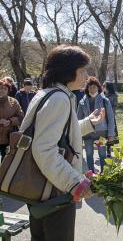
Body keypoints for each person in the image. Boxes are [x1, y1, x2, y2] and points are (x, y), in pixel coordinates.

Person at [18, 45, 104, 241]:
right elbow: (44, 148)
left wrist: (89, 123)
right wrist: (75, 183)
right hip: (56, 191)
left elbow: (60, 136)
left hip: (41, 187)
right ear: (67, 71)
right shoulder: (59, 99)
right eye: (82, 70)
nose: (86, 76)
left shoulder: (47, 93)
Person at [77, 77, 115, 173]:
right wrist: (78, 135)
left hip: (101, 134)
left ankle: (103, 175)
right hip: (87, 134)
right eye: (90, 87)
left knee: (102, 154)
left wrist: (111, 134)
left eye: (94, 87)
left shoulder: (105, 101)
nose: (92, 89)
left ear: (98, 88)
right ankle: (91, 175)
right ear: (87, 88)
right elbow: (78, 119)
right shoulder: (82, 102)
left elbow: (111, 119)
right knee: (89, 154)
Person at [0, 79, 24, 161]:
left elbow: (21, 117)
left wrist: (10, 121)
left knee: (5, 161)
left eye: (5, 89)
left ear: (8, 90)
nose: (2, 90)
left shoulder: (14, 102)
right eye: (0, 88)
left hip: (8, 137)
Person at [103, 82, 118, 158]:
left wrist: (110, 114)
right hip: (102, 118)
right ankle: (102, 151)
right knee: (102, 135)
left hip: (110, 118)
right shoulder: (102, 95)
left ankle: (108, 151)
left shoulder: (114, 96)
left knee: (110, 135)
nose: (103, 87)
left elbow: (114, 106)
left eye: (104, 86)